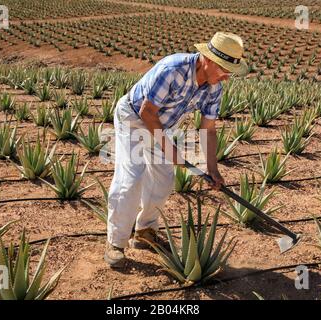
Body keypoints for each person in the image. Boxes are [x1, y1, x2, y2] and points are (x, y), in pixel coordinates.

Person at [104, 32, 248, 267]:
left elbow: (208, 130)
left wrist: (212, 168)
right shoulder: (172, 69)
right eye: (224, 70)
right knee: (132, 177)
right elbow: (147, 113)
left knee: (163, 179)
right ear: (208, 60)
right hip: (133, 118)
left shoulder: (214, 87)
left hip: (163, 125)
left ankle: (144, 231)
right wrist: (170, 150)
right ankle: (116, 242)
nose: (226, 77)